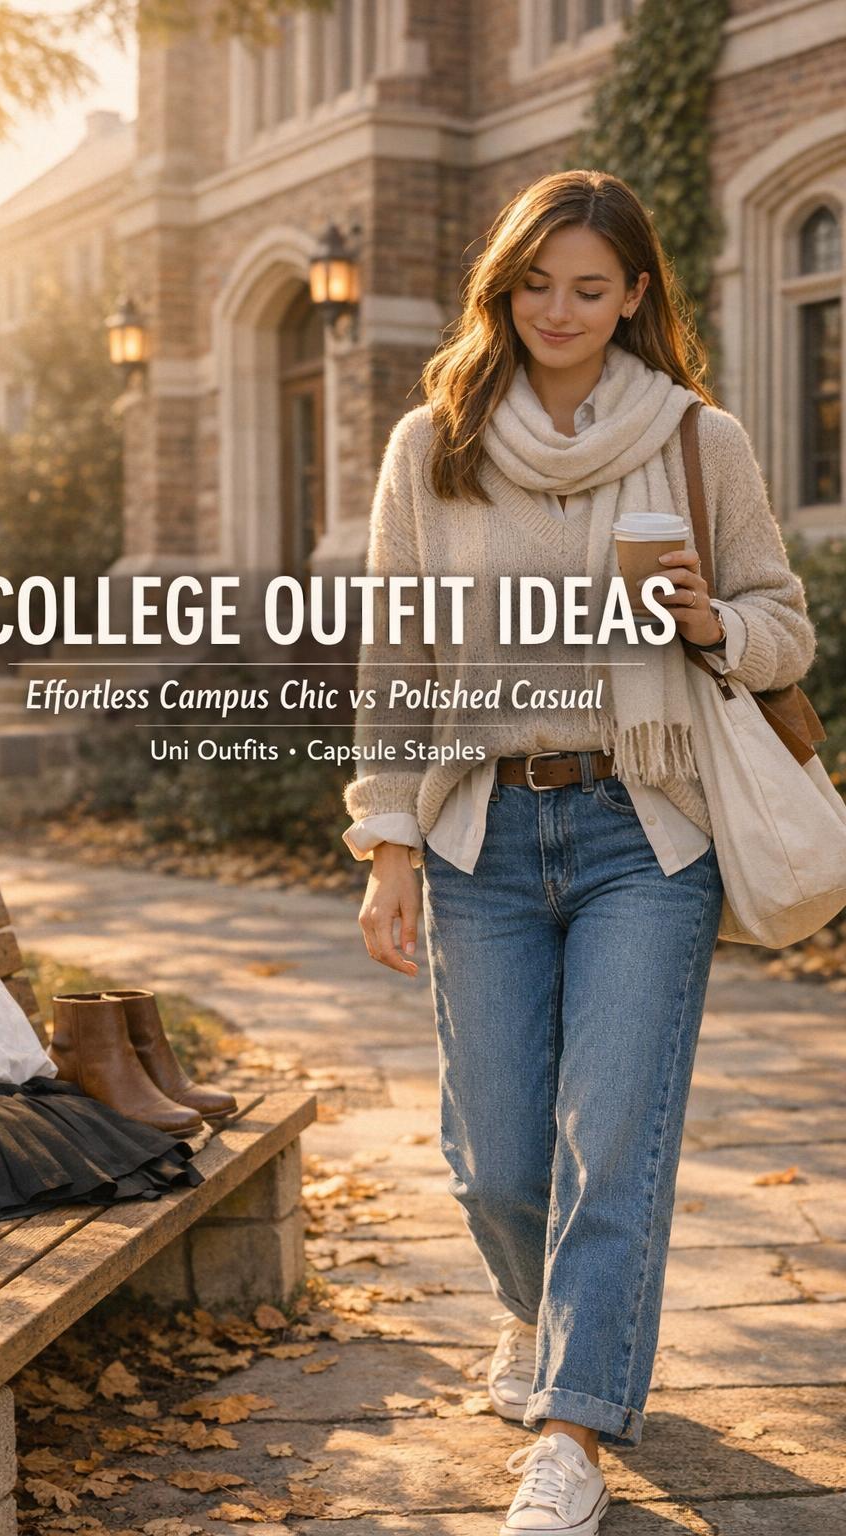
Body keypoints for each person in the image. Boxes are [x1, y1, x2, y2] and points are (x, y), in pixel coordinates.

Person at [342, 170, 816, 1536]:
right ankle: (537, 1314)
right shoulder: (432, 446)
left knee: (613, 1143)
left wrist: (712, 621)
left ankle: (571, 1434)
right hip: (479, 834)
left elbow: (786, 629)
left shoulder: (698, 440)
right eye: (535, 284)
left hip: (645, 832)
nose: (559, 310)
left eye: (590, 288)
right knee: (495, 1162)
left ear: (634, 295)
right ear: (503, 290)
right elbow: (395, 661)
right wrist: (385, 846)